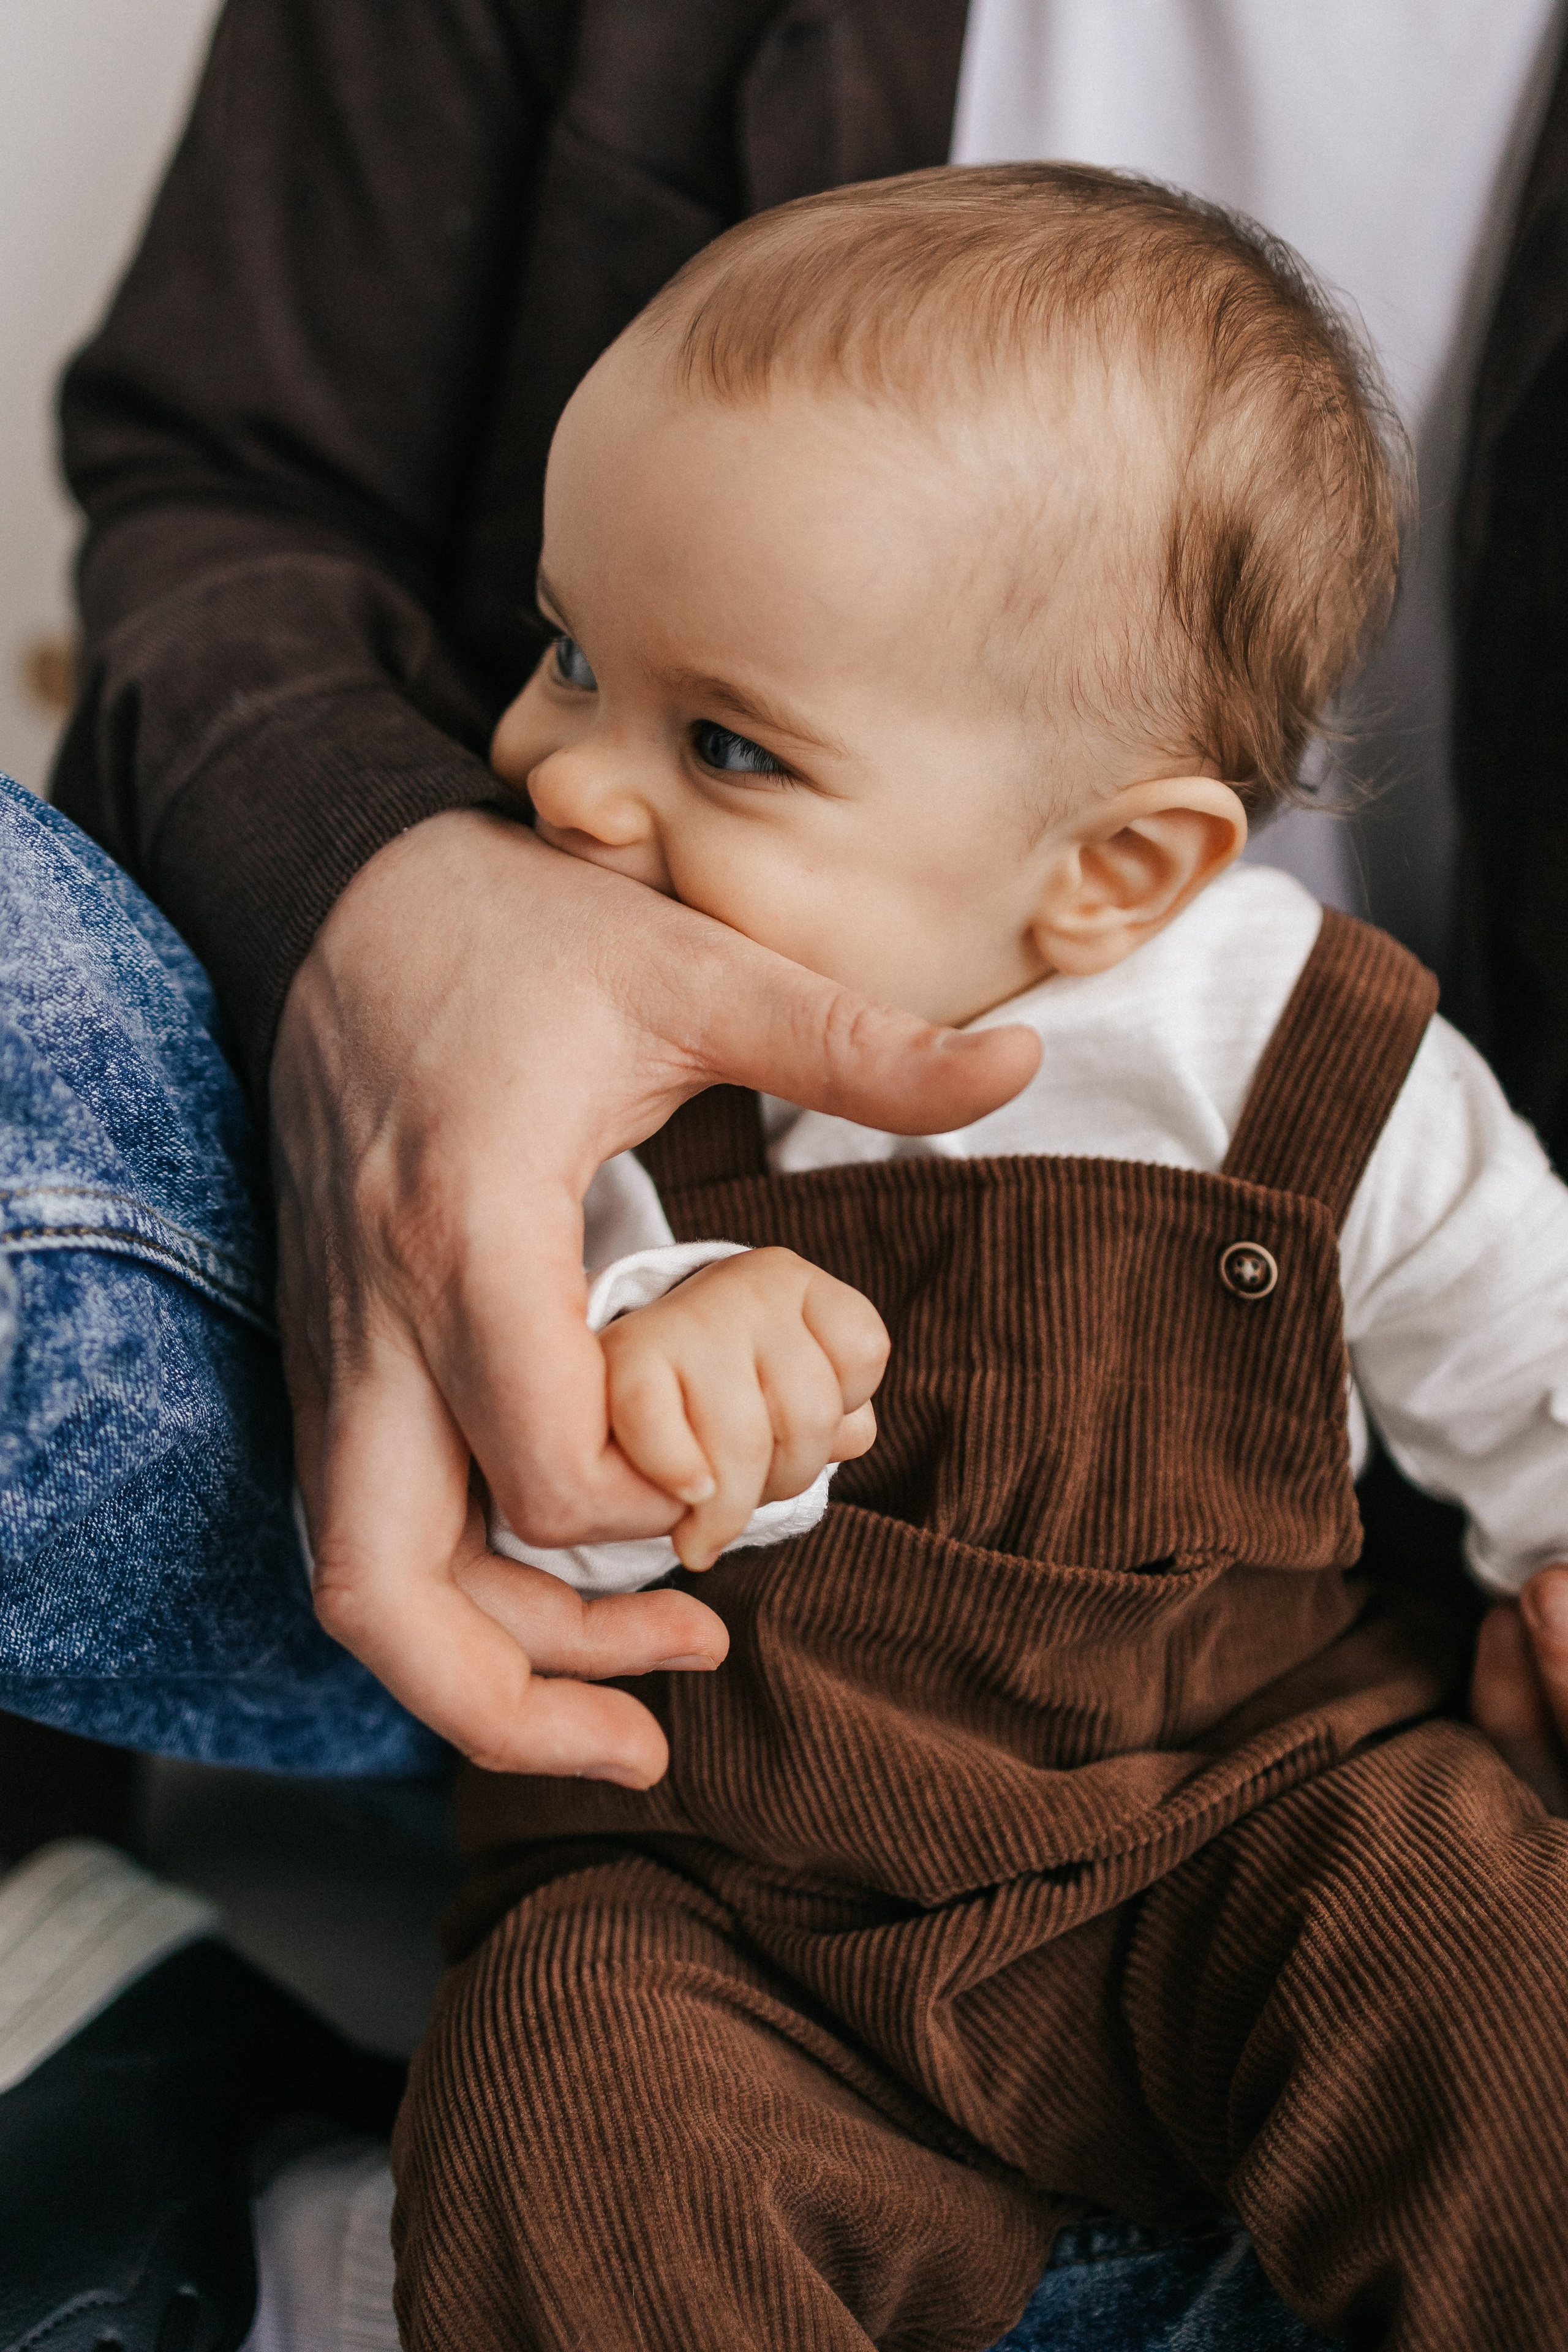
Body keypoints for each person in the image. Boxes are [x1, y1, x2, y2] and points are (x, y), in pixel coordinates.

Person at [1, 2, 1566, 2346]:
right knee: (579, 2098)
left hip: (1237, 1798)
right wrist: (660, 1374)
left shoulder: (1295, 1046)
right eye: (560, 655)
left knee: (1478, 1957)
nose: (563, 783)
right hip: (724, 1874)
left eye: (723, 741)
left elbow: (1506, 1305)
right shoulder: (610, 1035)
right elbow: (527, 1463)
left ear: (1116, 869)